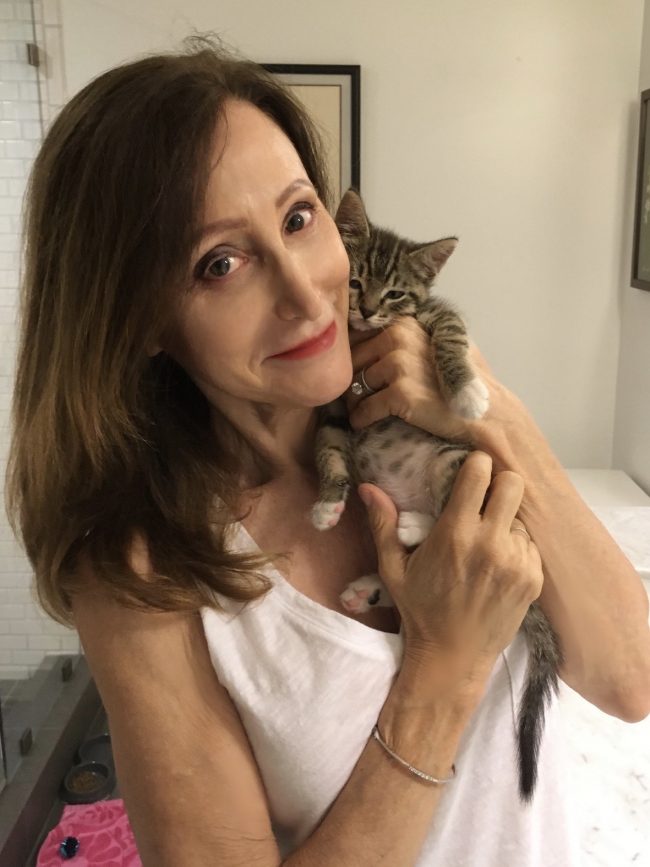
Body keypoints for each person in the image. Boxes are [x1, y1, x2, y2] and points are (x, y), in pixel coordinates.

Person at [5, 37, 649, 866]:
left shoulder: (423, 422)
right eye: (220, 263)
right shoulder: (144, 571)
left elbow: (628, 677)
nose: (309, 292)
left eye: (299, 217)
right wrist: (443, 670)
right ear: (139, 321)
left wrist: (498, 414)